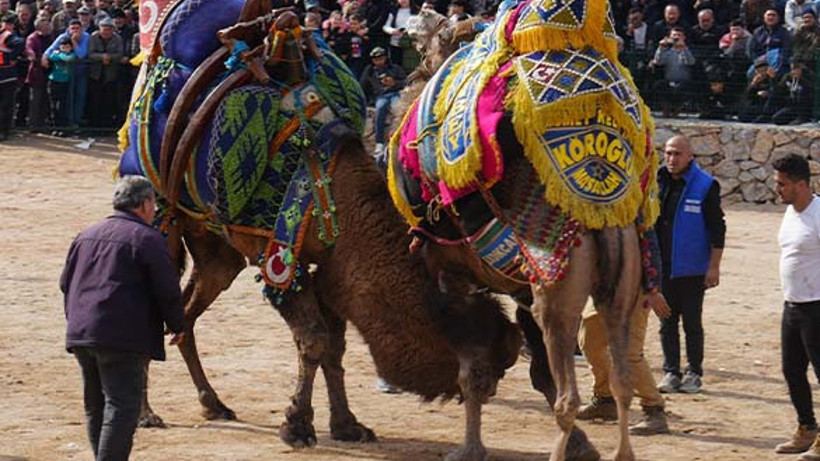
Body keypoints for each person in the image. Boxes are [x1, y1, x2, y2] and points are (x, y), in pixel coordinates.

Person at [59, 175, 185, 461]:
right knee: (122, 406)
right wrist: (178, 325)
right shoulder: (147, 238)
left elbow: (66, 283)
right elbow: (167, 289)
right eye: (153, 204)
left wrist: (75, 321)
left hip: (82, 333)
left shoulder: (86, 234)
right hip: (122, 336)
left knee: (96, 406)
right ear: (144, 204)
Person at [577, 231, 672, 435]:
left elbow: (650, 245)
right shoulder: (587, 213)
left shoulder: (633, 213)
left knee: (629, 353)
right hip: (602, 288)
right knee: (590, 342)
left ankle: (654, 410)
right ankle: (604, 399)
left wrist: (653, 289)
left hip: (635, 288)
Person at [655, 135, 726, 395]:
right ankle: (671, 372)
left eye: (677, 154)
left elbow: (718, 229)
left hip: (693, 269)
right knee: (666, 322)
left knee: (692, 324)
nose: (672, 159)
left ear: (690, 157)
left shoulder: (705, 186)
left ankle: (694, 372)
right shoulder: (656, 181)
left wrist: (713, 266)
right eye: (668, 153)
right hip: (663, 268)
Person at [772, 154, 820, 460]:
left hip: (817, 308)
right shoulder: (790, 212)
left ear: (801, 185)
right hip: (792, 305)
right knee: (792, 371)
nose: (777, 189)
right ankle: (807, 428)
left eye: (782, 184)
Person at [359, 46, 405, 160]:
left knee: (398, 108)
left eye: (381, 59)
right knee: (380, 108)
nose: (379, 61)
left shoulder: (395, 68)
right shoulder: (370, 71)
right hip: (381, 96)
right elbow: (363, 86)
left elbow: (405, 82)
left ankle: (399, 137)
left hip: (395, 93)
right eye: (376, 59)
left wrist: (394, 83)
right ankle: (379, 142)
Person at [651, 26, 696, 116]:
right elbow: (658, 62)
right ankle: (666, 108)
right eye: (674, 35)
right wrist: (661, 48)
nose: (676, 38)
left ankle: (677, 108)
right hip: (668, 81)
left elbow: (691, 62)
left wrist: (683, 48)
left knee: (685, 87)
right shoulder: (667, 52)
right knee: (659, 85)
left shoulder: (689, 50)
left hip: (684, 82)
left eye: (679, 35)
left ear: (684, 37)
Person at [0, 12, 24, 142]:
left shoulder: (7, 36)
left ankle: (4, 131)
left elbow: (20, 43)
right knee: (5, 105)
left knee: (6, 105)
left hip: (7, 75)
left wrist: (10, 58)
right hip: (6, 74)